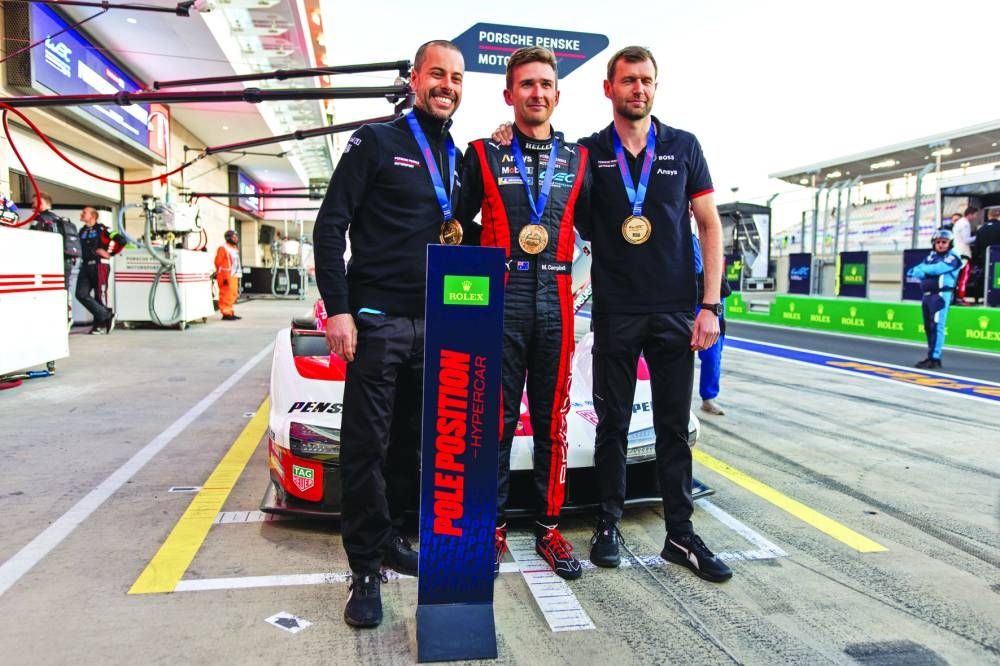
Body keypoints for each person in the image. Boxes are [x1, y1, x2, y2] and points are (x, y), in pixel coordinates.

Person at [312, 39, 466, 628]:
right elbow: (332, 227)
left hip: (438, 321)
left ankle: (398, 535)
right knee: (366, 447)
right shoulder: (375, 141)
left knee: (414, 442)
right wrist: (341, 310)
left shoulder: (459, 155)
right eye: (436, 74)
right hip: (377, 321)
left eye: (455, 76)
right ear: (413, 79)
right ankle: (364, 568)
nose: (446, 84)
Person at [577, 46, 731, 582]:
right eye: (628, 80)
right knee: (612, 426)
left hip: (673, 311)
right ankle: (607, 522)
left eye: (646, 80)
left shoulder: (683, 147)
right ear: (609, 88)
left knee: (671, 427)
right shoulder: (588, 152)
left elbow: (709, 226)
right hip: (616, 310)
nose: (637, 89)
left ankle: (680, 536)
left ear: (655, 88)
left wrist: (709, 304)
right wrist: (508, 139)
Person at [455, 46, 591, 581]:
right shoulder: (482, 153)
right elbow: (453, 229)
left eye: (545, 85)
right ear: (509, 94)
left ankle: (549, 526)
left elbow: (603, 233)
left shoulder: (579, 159)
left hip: (556, 302)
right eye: (526, 84)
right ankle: (488, 529)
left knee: (553, 423)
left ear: (557, 95)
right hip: (500, 303)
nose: (537, 93)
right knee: (493, 423)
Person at [908, 228, 962, 369]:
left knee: (937, 325)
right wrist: (924, 269)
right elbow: (914, 271)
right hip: (927, 296)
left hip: (941, 295)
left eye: (944, 242)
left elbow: (937, 269)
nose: (941, 245)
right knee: (928, 327)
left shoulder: (953, 257)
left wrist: (924, 269)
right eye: (938, 242)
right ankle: (930, 354)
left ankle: (935, 357)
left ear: (950, 243)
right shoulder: (931, 257)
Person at [692, 226, 730, 416]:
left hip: (712, 300)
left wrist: (716, 310)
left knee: (713, 356)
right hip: (685, 301)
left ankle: (708, 398)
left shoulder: (709, 231)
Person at [77, 207, 121, 334]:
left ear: (93, 216)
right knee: (81, 294)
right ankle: (107, 315)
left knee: (99, 296)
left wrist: (109, 253)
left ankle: (100, 325)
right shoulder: (82, 231)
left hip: (100, 265)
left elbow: (121, 240)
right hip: (85, 266)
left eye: (84, 212)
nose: (81, 213)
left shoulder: (103, 229)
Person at [29, 191, 80, 289]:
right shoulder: (58, 219)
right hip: (65, 259)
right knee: (63, 288)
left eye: (34, 202)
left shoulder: (40, 219)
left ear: (41, 202)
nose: (33, 205)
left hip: (50, 261)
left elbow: (32, 239)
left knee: (49, 289)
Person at [214, 229, 242, 320]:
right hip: (226, 275)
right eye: (234, 237)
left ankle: (230, 312)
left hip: (234, 274)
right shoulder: (223, 248)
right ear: (228, 238)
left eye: (236, 237)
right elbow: (218, 262)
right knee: (226, 294)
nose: (236, 239)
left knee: (233, 294)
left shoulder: (233, 248)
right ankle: (226, 313)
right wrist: (223, 276)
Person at [952, 206, 977, 304]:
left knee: (957, 276)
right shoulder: (965, 224)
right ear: (970, 214)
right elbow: (966, 240)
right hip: (963, 254)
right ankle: (960, 297)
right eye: (975, 215)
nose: (975, 217)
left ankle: (956, 297)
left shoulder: (959, 223)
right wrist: (977, 236)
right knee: (963, 277)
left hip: (958, 252)